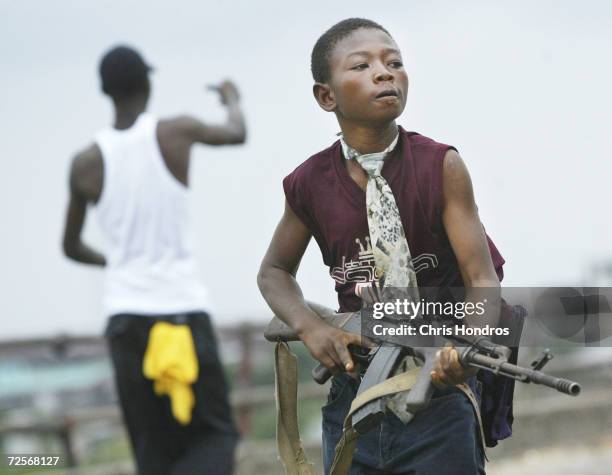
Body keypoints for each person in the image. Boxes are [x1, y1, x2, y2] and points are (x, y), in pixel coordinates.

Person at [258, 18, 514, 474]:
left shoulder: (440, 166)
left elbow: (481, 279)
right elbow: (274, 272)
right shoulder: (309, 183)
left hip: (437, 392)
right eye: (362, 65)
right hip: (354, 398)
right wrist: (310, 328)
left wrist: (469, 352)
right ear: (326, 96)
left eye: (394, 62)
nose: (385, 72)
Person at [62, 45, 246, 475]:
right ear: (147, 82)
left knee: (151, 448)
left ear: (105, 91)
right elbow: (235, 132)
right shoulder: (175, 132)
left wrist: (117, 263)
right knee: (215, 435)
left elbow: (71, 247)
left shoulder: (85, 163)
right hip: (180, 310)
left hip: (127, 319)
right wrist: (232, 97)